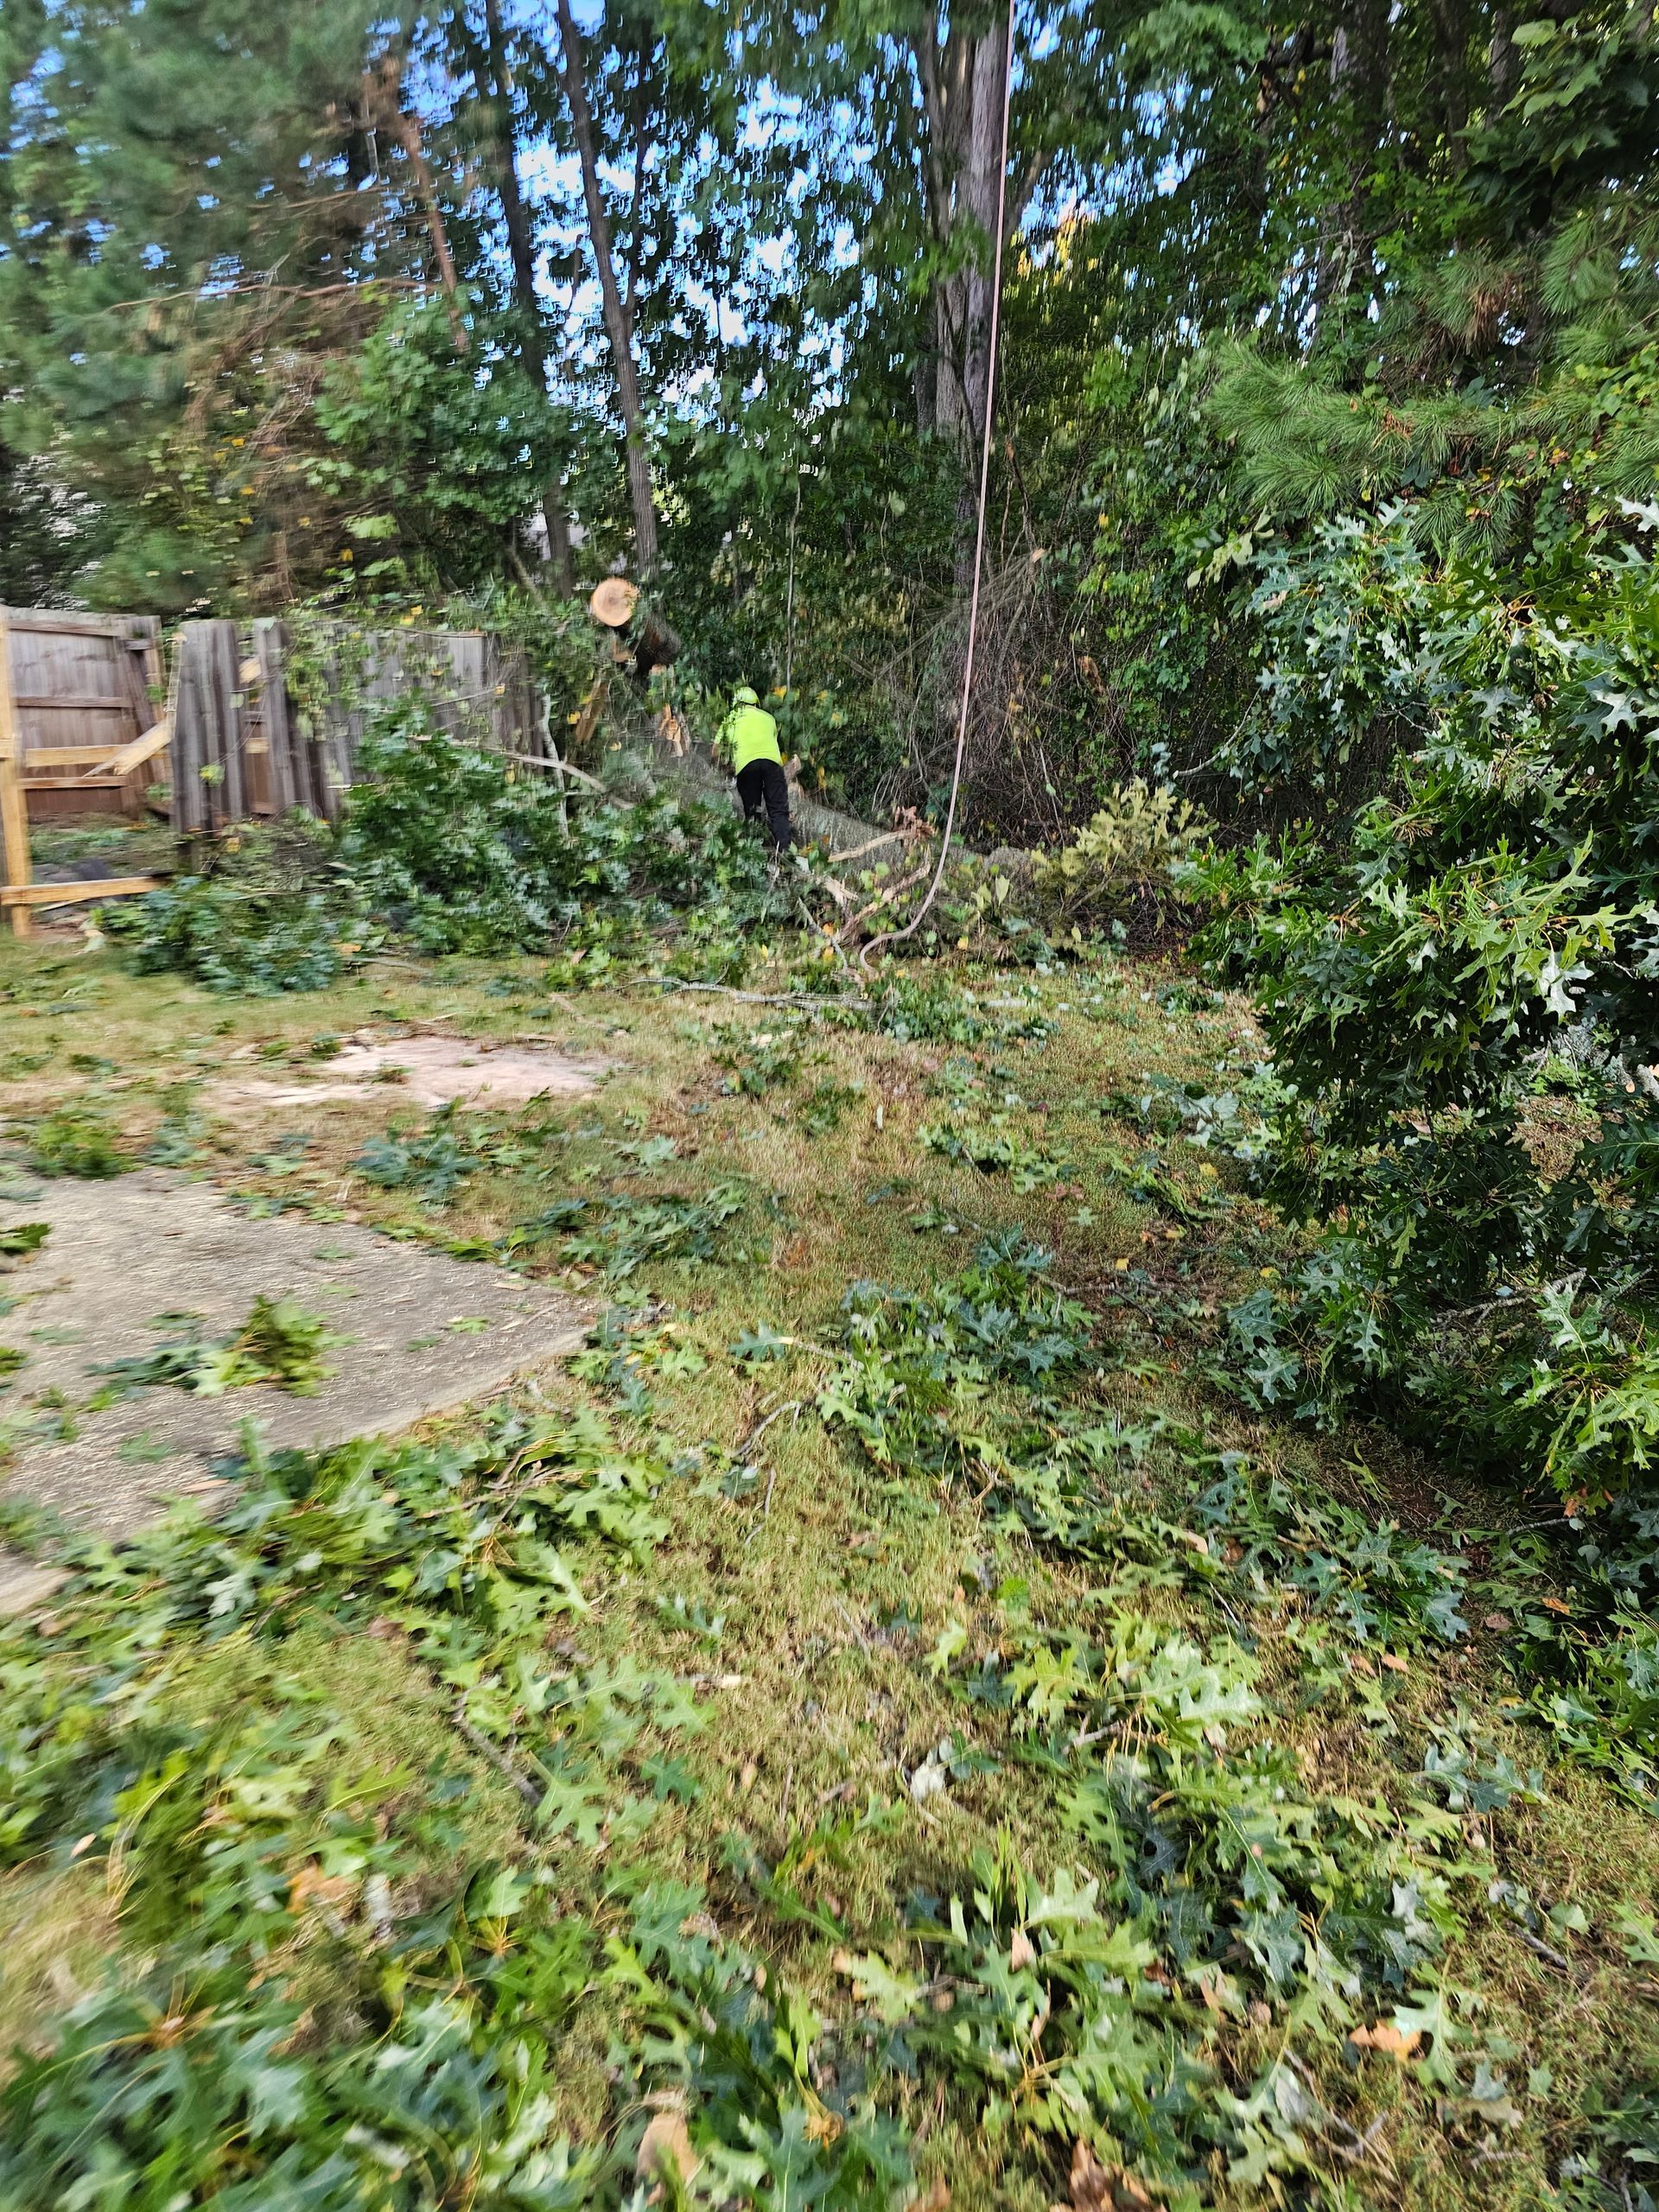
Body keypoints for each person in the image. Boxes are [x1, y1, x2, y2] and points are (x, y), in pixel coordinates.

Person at [715, 685, 794, 851]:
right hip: (773, 764)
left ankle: (755, 851)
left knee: (752, 811)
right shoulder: (769, 718)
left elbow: (715, 751)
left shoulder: (730, 719)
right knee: (779, 810)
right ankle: (785, 852)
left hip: (746, 766)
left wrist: (724, 767)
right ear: (756, 703)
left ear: (736, 704)